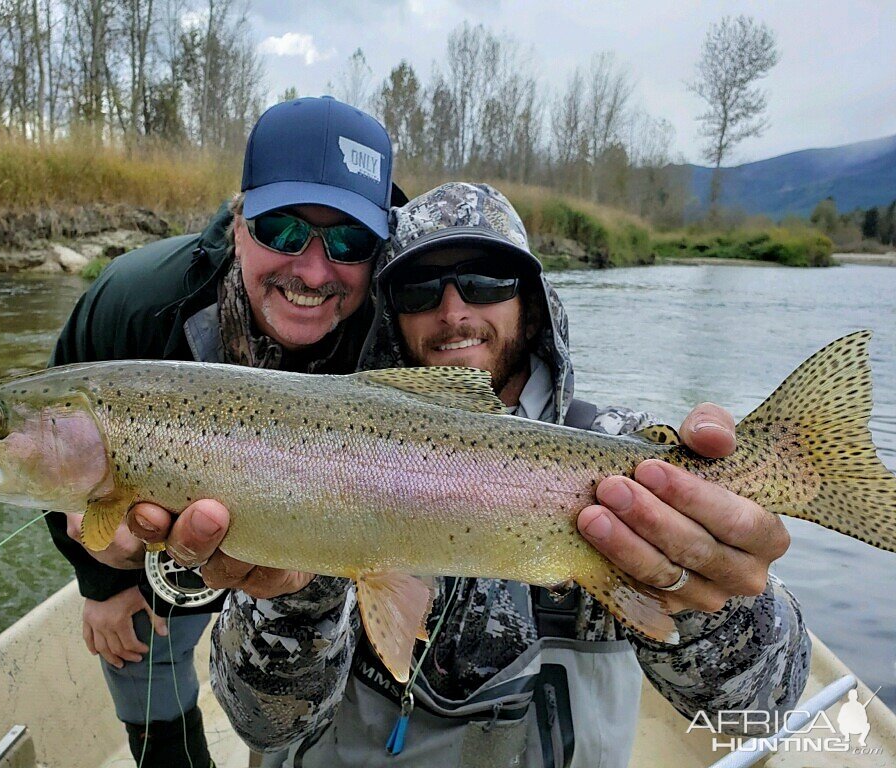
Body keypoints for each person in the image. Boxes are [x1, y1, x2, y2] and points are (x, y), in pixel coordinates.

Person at [129, 182, 811, 767]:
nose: (454, 310)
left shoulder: (627, 456)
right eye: (423, 288)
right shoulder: (310, 452)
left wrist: (705, 599)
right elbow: (263, 725)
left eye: (486, 281)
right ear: (391, 314)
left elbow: (761, 705)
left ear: (533, 301)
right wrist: (296, 593)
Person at [44, 95, 400, 767]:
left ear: (377, 247)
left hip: (321, 541)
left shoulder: (400, 318)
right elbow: (52, 443)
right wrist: (98, 579)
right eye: (283, 232)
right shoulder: (137, 301)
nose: (314, 271)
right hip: (161, 539)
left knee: (292, 703)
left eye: (349, 242)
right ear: (239, 222)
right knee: (135, 644)